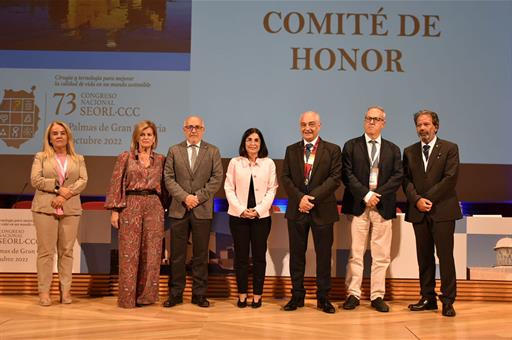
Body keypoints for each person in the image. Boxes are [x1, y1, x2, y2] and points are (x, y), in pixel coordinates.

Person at [340, 106, 403, 313]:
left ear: (384, 123)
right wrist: (366, 195)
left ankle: (377, 296)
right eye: (368, 118)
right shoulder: (351, 146)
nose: (372, 122)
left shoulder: (393, 149)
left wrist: (377, 195)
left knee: (381, 255)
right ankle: (353, 294)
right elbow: (347, 175)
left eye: (376, 119)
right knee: (356, 253)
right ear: (364, 120)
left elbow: (397, 177)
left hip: (383, 207)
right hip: (358, 205)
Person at [280, 111, 342, 314]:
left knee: (324, 257)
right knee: (297, 256)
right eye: (303, 124)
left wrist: (311, 199)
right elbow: (286, 178)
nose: (307, 128)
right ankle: (297, 296)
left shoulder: (332, 150)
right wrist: (301, 199)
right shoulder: (291, 150)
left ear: (320, 126)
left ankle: (323, 298)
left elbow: (334, 179)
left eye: (312, 124)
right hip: (297, 210)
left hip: (322, 210)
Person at [403, 109, 462, 317]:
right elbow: (406, 180)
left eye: (426, 124)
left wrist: (427, 197)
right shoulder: (409, 151)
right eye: (419, 124)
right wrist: (417, 200)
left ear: (435, 126)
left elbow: (450, 178)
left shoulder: (450, 148)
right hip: (419, 212)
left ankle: (447, 300)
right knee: (424, 257)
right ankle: (427, 297)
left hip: (442, 210)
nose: (422, 128)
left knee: (445, 257)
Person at [105, 120, 167, 308]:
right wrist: (115, 210)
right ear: (136, 137)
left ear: (154, 138)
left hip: (154, 206)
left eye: (149, 134)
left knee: (152, 254)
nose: (146, 138)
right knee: (129, 254)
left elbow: (165, 187)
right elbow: (116, 183)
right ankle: (127, 298)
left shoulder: (161, 159)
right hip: (130, 205)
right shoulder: (126, 157)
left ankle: (146, 297)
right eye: (143, 134)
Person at [163, 115, 223, 308]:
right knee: (178, 255)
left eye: (197, 127)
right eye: (190, 127)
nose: (193, 130)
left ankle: (199, 295)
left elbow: (216, 178)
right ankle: (176, 294)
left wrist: (197, 197)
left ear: (203, 129)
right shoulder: (174, 150)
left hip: (202, 209)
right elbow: (168, 178)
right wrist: (185, 197)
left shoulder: (213, 151)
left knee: (200, 255)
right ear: (184, 129)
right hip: (178, 210)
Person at [30, 121, 88, 306]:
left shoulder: (78, 158)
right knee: (46, 252)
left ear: (68, 136)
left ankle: (65, 292)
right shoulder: (41, 157)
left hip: (70, 208)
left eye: (62, 132)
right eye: (55, 133)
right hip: (45, 208)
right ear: (49, 138)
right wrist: (57, 188)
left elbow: (83, 180)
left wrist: (65, 196)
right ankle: (44, 292)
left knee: (67, 252)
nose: (59, 136)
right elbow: (36, 179)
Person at [224, 128, 278, 308]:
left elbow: (272, 189)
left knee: (259, 257)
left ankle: (257, 295)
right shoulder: (235, 162)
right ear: (244, 142)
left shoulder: (269, 163)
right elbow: (228, 188)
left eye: (256, 140)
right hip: (238, 218)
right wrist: (241, 210)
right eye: (249, 140)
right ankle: (242, 295)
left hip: (261, 218)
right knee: (240, 257)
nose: (252, 143)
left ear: (261, 143)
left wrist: (259, 210)